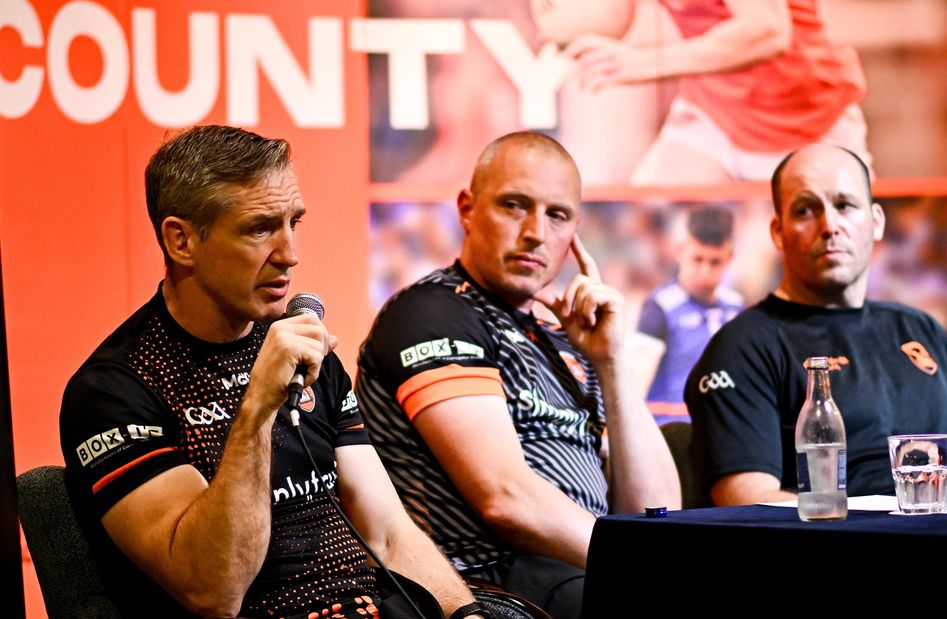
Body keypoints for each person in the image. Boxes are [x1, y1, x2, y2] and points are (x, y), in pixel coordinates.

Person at [59, 126, 485, 619]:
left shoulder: (302, 345)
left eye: (293, 223)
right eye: (260, 228)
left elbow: (389, 532)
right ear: (181, 241)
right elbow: (213, 590)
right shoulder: (115, 389)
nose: (289, 254)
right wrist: (258, 404)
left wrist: (464, 613)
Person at [355, 131, 681, 618]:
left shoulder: (569, 340)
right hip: (477, 584)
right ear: (467, 208)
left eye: (557, 215)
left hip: (572, 573)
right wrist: (640, 564)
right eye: (514, 205)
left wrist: (612, 366)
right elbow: (505, 499)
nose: (536, 232)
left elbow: (657, 513)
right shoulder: (432, 312)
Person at [685, 143, 947, 507]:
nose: (830, 225)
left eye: (845, 205)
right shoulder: (744, 347)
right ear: (778, 232)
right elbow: (744, 501)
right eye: (805, 210)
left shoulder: (921, 329)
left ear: (876, 222)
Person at [544, 0, 871, 184]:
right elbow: (690, 20)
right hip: (711, 116)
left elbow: (768, 31)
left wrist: (644, 63)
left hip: (804, 120)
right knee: (651, 210)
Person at [636, 205, 742, 424]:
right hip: (671, 436)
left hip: (723, 432)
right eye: (698, 259)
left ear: (729, 257)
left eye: (715, 262)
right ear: (680, 251)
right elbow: (636, 385)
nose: (705, 272)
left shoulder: (736, 307)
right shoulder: (659, 308)